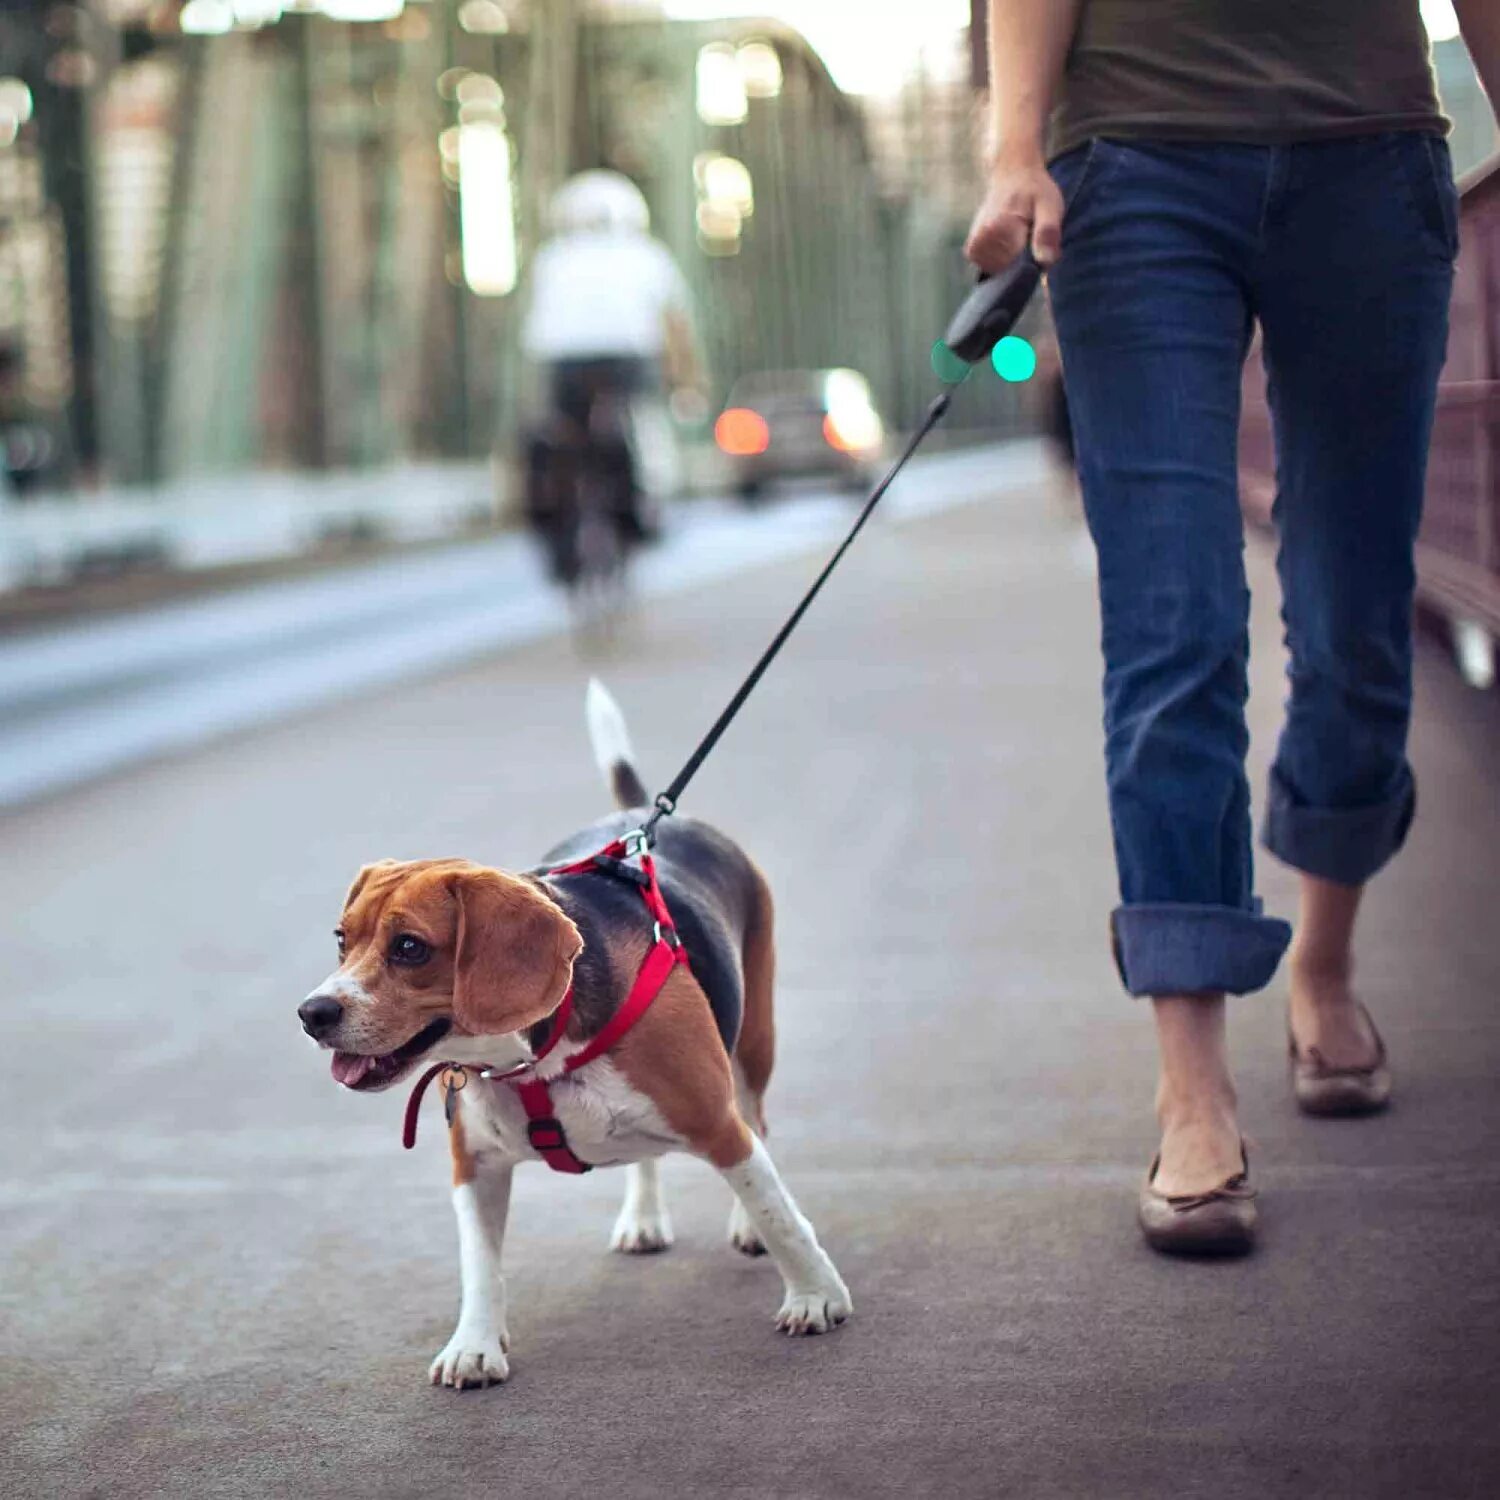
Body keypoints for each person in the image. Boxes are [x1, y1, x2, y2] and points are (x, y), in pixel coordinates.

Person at [966, 1, 1498, 1254]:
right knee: (1174, 628)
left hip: (1366, 156)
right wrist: (1014, 146)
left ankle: (1322, 962)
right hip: (1134, 164)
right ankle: (1193, 1085)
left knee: (1361, 614)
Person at [521, 171, 702, 583]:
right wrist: (687, 383)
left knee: (555, 444)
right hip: (628, 362)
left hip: (564, 367)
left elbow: (535, 328)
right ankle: (642, 512)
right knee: (639, 430)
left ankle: (555, 533)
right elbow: (676, 328)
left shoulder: (551, 258)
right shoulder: (649, 256)